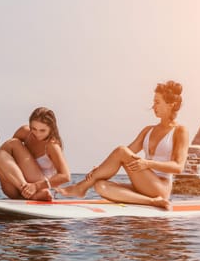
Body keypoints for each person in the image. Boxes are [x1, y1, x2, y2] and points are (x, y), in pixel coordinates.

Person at [57, 80, 188, 210]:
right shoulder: (148, 130)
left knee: (121, 150)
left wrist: (148, 164)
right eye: (154, 102)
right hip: (143, 186)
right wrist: (101, 169)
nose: (154, 106)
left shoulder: (179, 131)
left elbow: (178, 167)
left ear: (171, 104)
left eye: (157, 102)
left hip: (160, 186)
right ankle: (152, 201)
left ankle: (80, 187)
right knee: (100, 185)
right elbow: (124, 155)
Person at [0, 107, 71, 201]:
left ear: (51, 129)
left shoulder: (52, 145)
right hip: (16, 188)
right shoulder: (24, 132)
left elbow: (65, 176)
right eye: (34, 128)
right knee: (1, 154)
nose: (37, 133)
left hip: (39, 188)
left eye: (42, 130)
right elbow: (6, 155)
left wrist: (35, 186)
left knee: (12, 143)